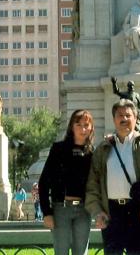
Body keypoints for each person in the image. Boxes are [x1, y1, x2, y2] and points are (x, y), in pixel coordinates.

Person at [85, 99, 140, 255]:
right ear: (114, 119)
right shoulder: (103, 148)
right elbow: (93, 183)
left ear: (136, 118)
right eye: (120, 115)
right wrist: (97, 211)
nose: (124, 119)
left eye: (128, 115)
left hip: (139, 210)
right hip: (111, 212)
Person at [39, 109, 94, 255]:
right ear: (71, 127)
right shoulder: (59, 149)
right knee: (61, 252)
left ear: (91, 128)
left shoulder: (93, 153)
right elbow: (44, 182)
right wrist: (46, 212)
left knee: (81, 252)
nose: (83, 129)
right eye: (79, 125)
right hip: (60, 209)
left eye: (86, 125)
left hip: (84, 210)